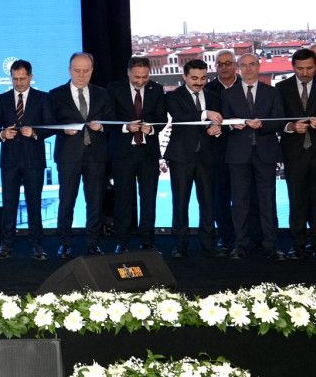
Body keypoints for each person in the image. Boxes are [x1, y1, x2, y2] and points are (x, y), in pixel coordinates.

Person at [221, 53, 286, 259]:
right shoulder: (228, 94)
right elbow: (224, 122)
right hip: (238, 155)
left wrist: (263, 125)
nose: (248, 69)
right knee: (239, 202)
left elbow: (279, 121)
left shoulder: (272, 92)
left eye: (252, 64)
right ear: (238, 68)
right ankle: (240, 244)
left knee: (268, 201)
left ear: (259, 66)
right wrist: (233, 124)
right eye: (244, 65)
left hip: (265, 153)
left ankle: (270, 245)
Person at [277, 48, 316, 260]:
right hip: (294, 154)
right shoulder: (282, 88)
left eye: (309, 68)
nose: (305, 73)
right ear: (293, 67)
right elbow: (277, 119)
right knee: (296, 201)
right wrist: (291, 127)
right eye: (300, 68)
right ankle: (298, 246)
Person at [48, 52, 111, 258]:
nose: (81, 75)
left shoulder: (102, 93)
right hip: (68, 156)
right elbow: (48, 123)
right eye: (77, 71)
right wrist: (62, 129)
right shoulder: (56, 94)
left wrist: (102, 127)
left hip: (96, 156)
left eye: (86, 71)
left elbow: (112, 121)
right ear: (69, 70)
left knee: (95, 202)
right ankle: (65, 243)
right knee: (66, 200)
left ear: (92, 71)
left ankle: (93, 243)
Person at [0, 59, 53, 259]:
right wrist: (2, 134)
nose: (18, 83)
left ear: (30, 77)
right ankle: (5, 245)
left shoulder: (42, 98)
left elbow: (50, 126)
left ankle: (37, 245)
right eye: (15, 79)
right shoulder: (1, 99)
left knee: (34, 204)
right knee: (9, 204)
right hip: (9, 160)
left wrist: (34, 132)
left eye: (22, 78)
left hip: (34, 160)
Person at [163, 59, 223, 258]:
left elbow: (218, 122)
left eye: (203, 78)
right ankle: (180, 245)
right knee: (180, 202)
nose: (199, 82)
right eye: (194, 78)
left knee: (208, 202)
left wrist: (215, 129)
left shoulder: (214, 96)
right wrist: (206, 114)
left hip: (207, 157)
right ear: (185, 77)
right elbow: (181, 117)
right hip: (181, 157)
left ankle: (209, 245)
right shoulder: (173, 96)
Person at [108, 56, 166, 254]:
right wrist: (126, 127)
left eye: (145, 77)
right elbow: (108, 117)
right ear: (128, 73)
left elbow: (161, 118)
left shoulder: (156, 89)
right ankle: (122, 241)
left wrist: (152, 129)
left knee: (148, 199)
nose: (141, 81)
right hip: (123, 153)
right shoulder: (114, 89)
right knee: (123, 199)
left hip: (148, 153)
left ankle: (147, 242)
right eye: (137, 77)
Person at [206, 50, 240, 250]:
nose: (225, 67)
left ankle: (247, 237)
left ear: (235, 65)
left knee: (245, 198)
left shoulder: (246, 86)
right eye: (220, 64)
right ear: (215, 67)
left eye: (228, 63)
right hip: (217, 154)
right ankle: (226, 238)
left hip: (244, 152)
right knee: (220, 198)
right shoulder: (208, 90)